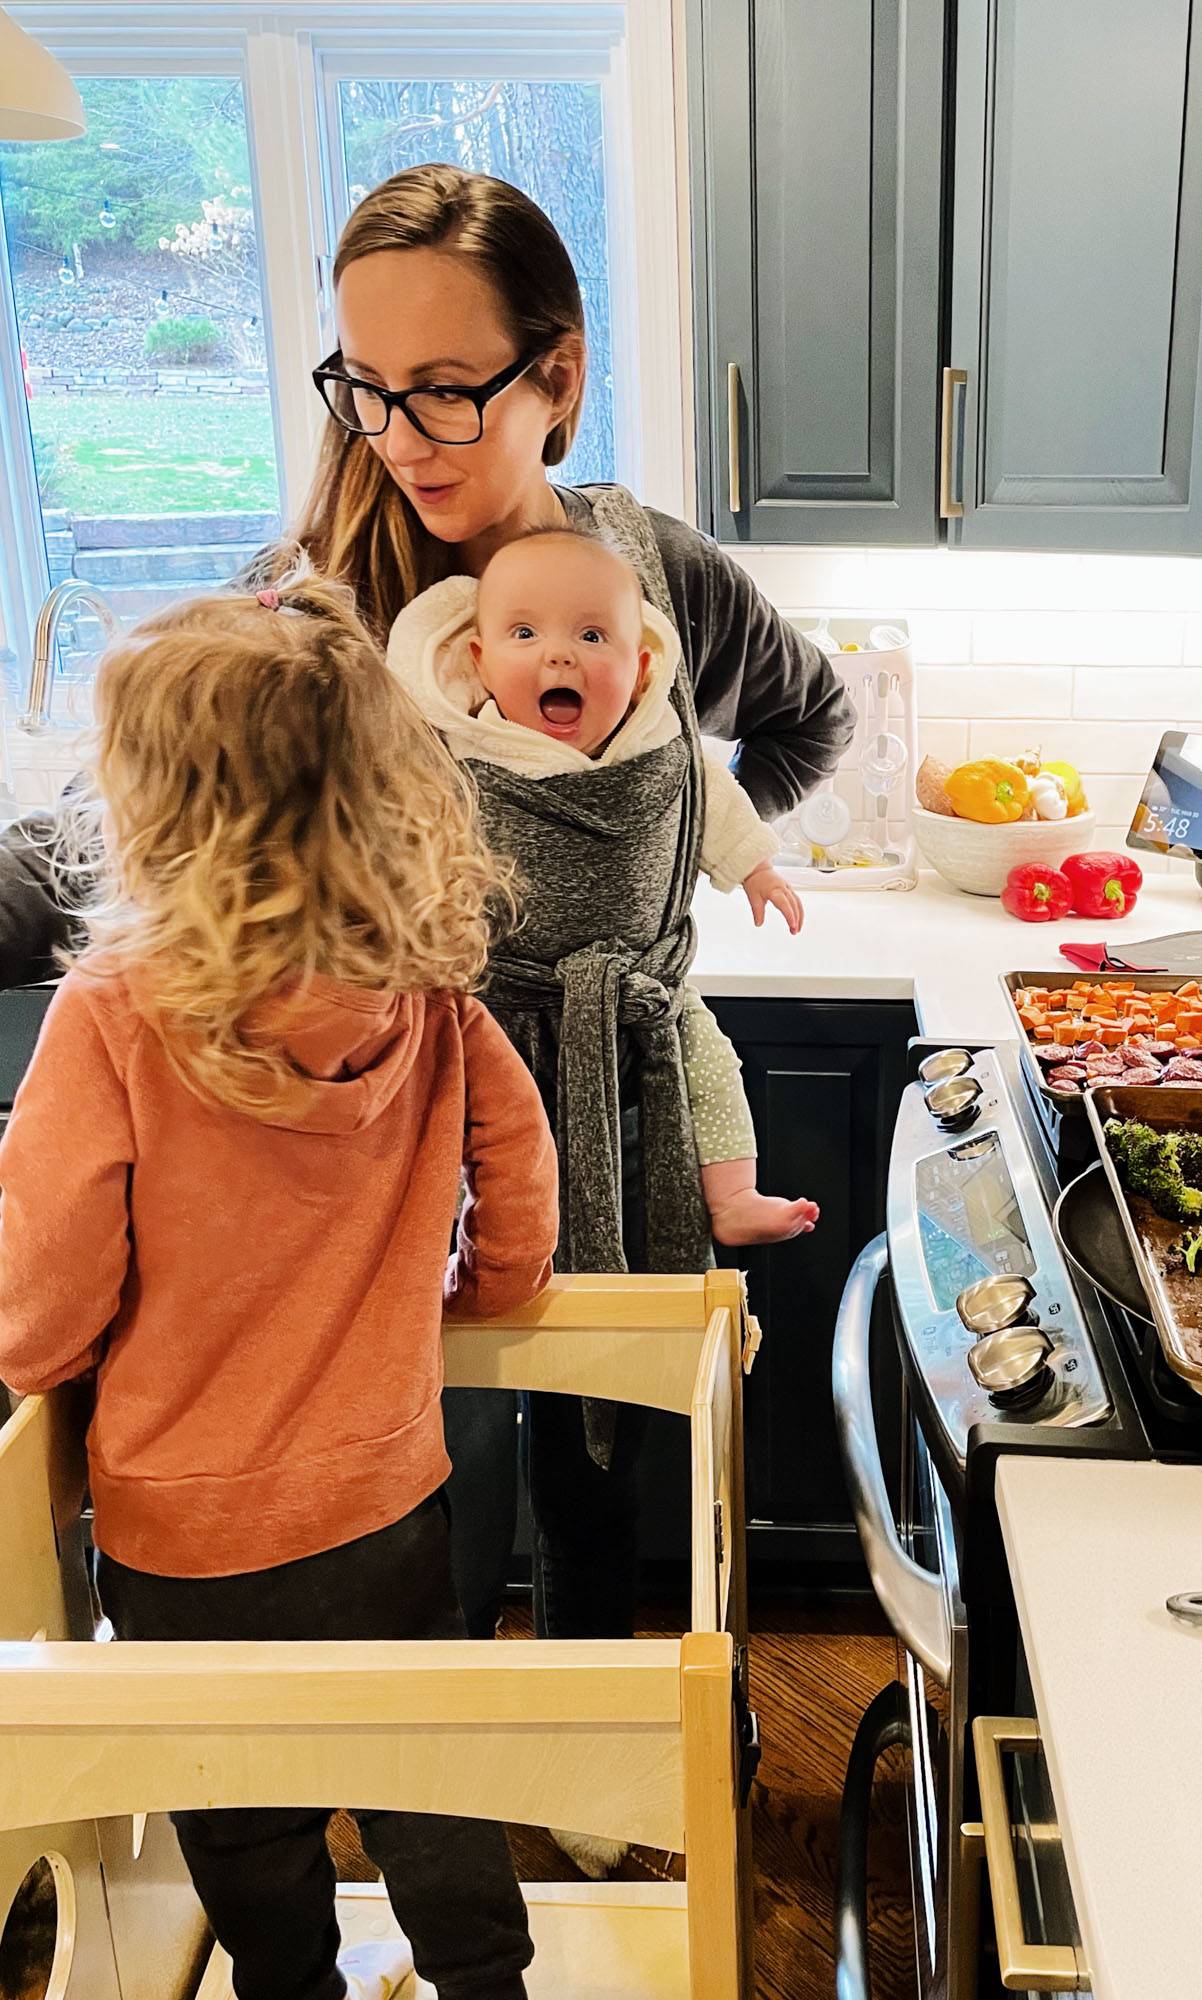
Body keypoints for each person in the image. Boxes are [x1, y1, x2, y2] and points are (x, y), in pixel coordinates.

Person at [0, 161, 854, 1694]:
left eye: (446, 392)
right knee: (419, 1455)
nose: (398, 441)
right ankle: (430, 1770)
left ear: (559, 376)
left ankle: (593, 1748)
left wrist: (695, 867)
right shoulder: (315, 599)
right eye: (367, 393)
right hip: (380, 1134)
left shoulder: (642, 576)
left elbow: (806, 715)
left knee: (596, 1467)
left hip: (602, 1106)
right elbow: (117, 826)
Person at [0, 576, 559, 2000]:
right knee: (423, 1758)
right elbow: (522, 1163)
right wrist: (489, 1288)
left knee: (241, 1798)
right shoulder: (424, 987)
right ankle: (483, 1977)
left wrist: (40, 1363)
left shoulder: (119, 1013)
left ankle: (291, 1985)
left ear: (160, 806)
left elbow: (49, 1290)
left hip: (185, 1531)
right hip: (387, 1492)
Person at [388, 524, 820, 1248]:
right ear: (479, 659)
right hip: (504, 1004)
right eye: (524, 633)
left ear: (641, 667)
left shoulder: (657, 749)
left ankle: (734, 1192)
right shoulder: (460, 755)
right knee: (477, 1126)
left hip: (642, 995)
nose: (559, 653)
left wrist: (755, 867)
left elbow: (706, 794)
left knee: (711, 1062)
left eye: (592, 636)